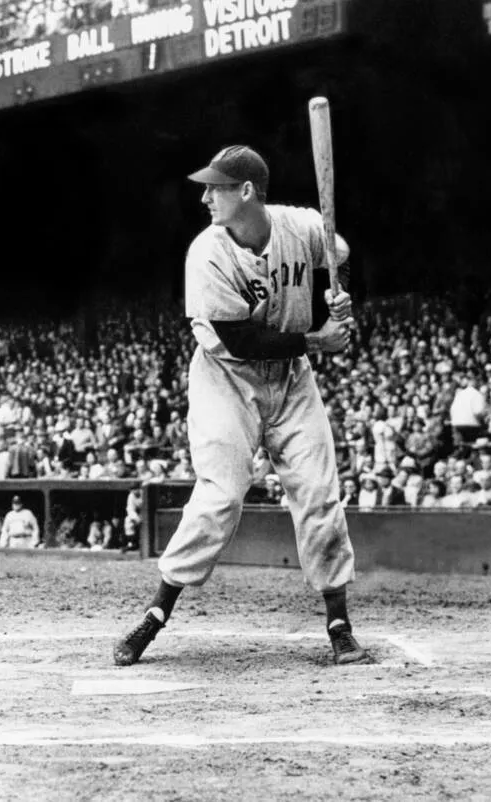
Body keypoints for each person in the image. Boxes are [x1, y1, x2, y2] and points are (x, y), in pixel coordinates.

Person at [112, 145, 368, 668]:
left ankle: (339, 624)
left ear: (247, 191)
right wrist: (319, 340)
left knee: (319, 494)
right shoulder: (206, 253)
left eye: (216, 187)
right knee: (221, 497)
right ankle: (155, 615)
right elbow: (240, 338)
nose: (205, 197)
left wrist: (340, 298)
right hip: (225, 378)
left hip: (291, 379)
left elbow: (338, 256)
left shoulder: (301, 225)